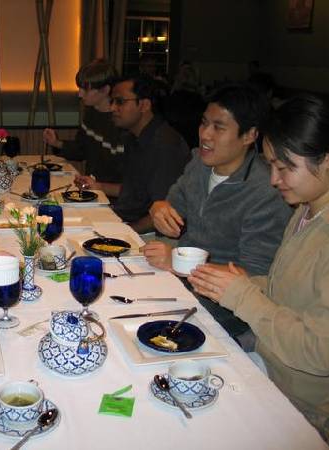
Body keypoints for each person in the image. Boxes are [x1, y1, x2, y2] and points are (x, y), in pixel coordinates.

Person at [188, 95, 329, 449]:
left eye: (285, 168)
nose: (274, 179)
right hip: (274, 373)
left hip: (317, 416)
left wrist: (243, 296)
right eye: (271, 166)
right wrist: (242, 284)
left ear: (328, 160)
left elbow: (319, 353)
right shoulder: (308, 211)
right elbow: (294, 289)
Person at [144, 83, 292, 343]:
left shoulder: (266, 190)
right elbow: (172, 208)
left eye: (219, 127)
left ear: (249, 135)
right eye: (204, 123)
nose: (205, 135)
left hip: (224, 309)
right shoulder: (199, 164)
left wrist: (179, 262)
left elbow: (255, 274)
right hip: (181, 285)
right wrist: (158, 208)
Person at [77, 74, 190, 233]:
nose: (112, 108)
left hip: (153, 234)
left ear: (144, 105)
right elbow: (136, 190)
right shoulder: (133, 137)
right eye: (112, 101)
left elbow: (165, 212)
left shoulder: (165, 145)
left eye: (120, 101)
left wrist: (123, 231)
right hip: (126, 218)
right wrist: (99, 186)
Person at [43, 59, 124, 185]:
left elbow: (124, 176)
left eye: (85, 89)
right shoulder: (91, 112)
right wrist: (56, 142)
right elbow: (82, 149)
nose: (79, 94)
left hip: (110, 192)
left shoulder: (121, 122)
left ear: (105, 90)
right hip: (91, 186)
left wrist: (98, 186)